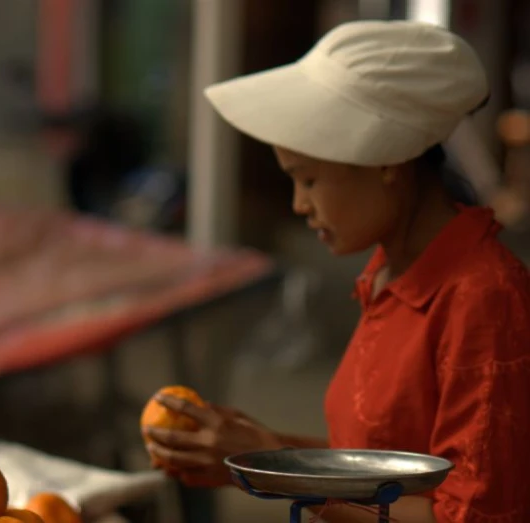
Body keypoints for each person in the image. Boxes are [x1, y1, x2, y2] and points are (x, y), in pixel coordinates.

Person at [142, 20, 530, 523]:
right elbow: (386, 459)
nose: (300, 205)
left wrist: (278, 475)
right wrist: (264, 452)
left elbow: (468, 515)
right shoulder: (389, 274)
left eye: (308, 179)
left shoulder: (484, 296)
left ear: (386, 159)